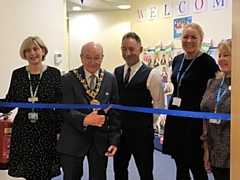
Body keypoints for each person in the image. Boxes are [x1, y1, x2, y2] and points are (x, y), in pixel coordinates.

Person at [162, 23, 219, 180]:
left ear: (200, 40)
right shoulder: (177, 60)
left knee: (197, 165)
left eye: (194, 37)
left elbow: (215, 92)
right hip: (176, 119)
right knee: (180, 165)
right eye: (185, 37)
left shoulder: (208, 63)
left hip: (195, 123)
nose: (189, 40)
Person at [0, 36, 62, 179]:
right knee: (28, 172)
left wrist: (59, 129)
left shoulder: (54, 74)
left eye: (36, 49)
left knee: (45, 172)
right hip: (24, 130)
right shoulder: (18, 74)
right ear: (24, 54)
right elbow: (11, 100)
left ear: (43, 51)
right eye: (28, 50)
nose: (32, 53)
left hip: (46, 129)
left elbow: (59, 104)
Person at [57, 41, 121, 180]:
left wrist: (114, 140)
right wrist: (84, 120)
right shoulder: (68, 79)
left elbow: (115, 113)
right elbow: (65, 110)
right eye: (88, 57)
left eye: (96, 57)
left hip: (99, 140)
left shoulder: (110, 79)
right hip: (73, 138)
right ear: (81, 57)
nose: (92, 62)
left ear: (102, 57)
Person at [113, 32, 165, 180]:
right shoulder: (116, 72)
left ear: (140, 50)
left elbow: (159, 104)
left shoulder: (152, 74)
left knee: (145, 171)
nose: (127, 53)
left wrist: (144, 122)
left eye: (131, 49)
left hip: (142, 134)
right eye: (124, 49)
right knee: (119, 170)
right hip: (121, 133)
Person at [200, 39, 231, 180]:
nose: (221, 59)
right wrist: (206, 147)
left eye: (226, 55)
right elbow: (205, 115)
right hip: (215, 150)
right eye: (220, 55)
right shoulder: (212, 83)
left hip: (234, 152)